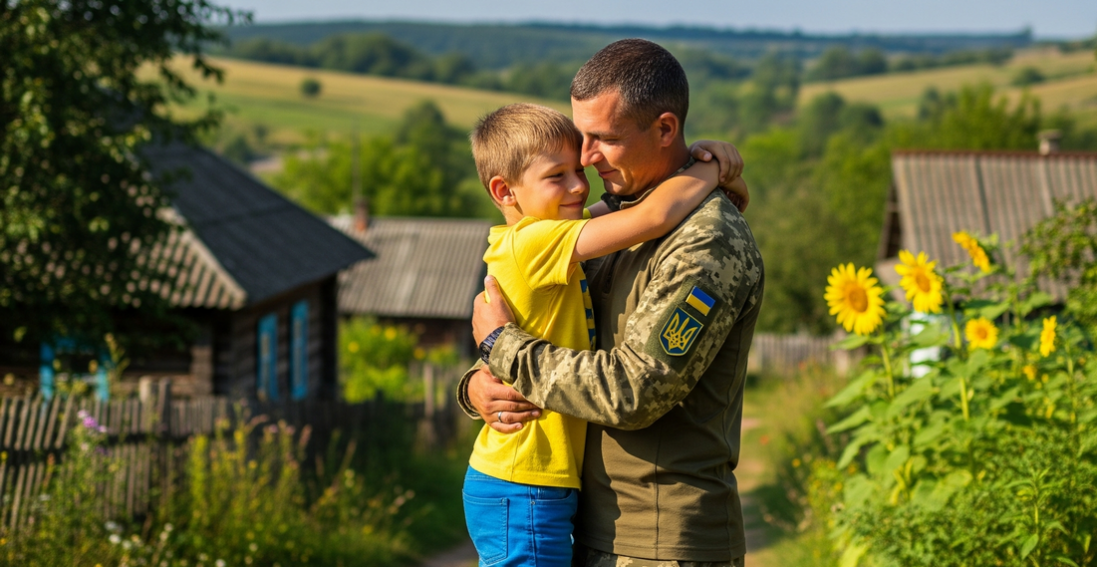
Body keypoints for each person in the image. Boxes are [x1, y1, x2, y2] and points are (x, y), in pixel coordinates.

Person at [460, 39, 765, 567]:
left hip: (660, 541)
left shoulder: (704, 239)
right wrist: (479, 386)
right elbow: (555, 335)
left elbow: (634, 390)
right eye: (582, 137)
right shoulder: (599, 223)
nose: (585, 158)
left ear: (665, 129)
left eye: (605, 138)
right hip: (586, 524)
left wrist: (504, 349)